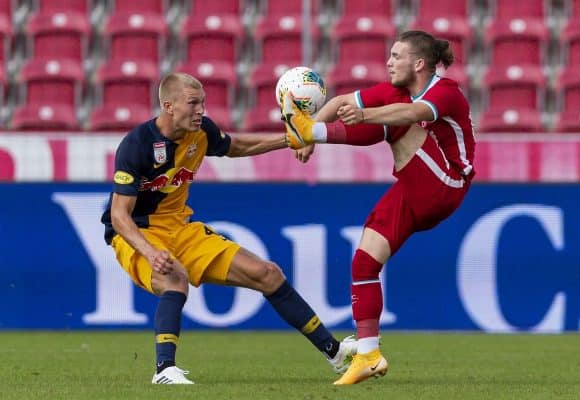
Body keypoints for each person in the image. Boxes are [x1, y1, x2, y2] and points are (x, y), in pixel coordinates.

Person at [100, 72, 357, 385]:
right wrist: (152, 253)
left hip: (180, 227)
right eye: (193, 103)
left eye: (203, 103)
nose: (201, 111)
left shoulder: (201, 132)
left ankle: (335, 353)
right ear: (168, 106)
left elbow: (236, 147)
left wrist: (288, 139)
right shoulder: (136, 145)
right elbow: (119, 216)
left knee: (268, 273)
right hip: (138, 234)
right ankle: (164, 370)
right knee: (175, 278)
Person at [282, 30, 475, 385]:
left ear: (418, 63)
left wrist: (358, 119)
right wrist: (310, 135)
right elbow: (342, 100)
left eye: (395, 56)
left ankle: (319, 131)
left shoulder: (445, 91)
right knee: (365, 260)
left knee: (395, 123)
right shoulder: (395, 91)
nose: (388, 62)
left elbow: (410, 112)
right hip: (414, 187)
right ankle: (369, 354)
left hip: (447, 182)